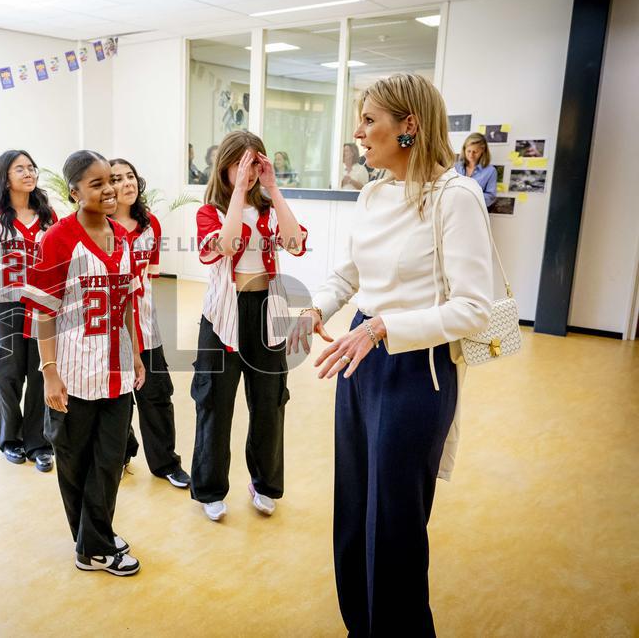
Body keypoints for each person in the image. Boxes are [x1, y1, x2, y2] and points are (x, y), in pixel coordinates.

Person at [289, 73, 492, 635]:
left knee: (394, 525)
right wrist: (317, 308)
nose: (358, 132)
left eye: (369, 120)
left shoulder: (456, 198)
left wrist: (383, 327)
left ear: (409, 126)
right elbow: (350, 273)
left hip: (416, 367)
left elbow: (474, 308)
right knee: (354, 510)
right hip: (361, 359)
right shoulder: (373, 193)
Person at [21, 150, 146, 576]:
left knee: (110, 458)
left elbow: (127, 303)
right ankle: (93, 543)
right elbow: (44, 312)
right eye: (97, 184)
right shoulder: (56, 239)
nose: (110, 189)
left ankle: (93, 540)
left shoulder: (123, 237)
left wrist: (136, 354)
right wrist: (49, 373)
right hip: (73, 371)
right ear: (74, 192)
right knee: (75, 462)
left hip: (117, 368)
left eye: (111, 180)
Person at [190, 130, 307, 522]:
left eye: (255, 163)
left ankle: (265, 483)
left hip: (266, 311)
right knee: (214, 402)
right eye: (241, 164)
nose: (249, 172)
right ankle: (210, 488)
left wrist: (273, 188)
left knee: (270, 402)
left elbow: (295, 242)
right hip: (224, 315)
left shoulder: (269, 209)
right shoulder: (210, 211)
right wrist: (239, 191)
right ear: (224, 165)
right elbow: (224, 246)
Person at [0, 149, 57, 472]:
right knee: (5, 372)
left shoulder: (48, 217)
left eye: (31, 167)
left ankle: (39, 443)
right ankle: (11, 439)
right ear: (5, 178)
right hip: (5, 305)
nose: (28, 172)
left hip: (43, 306)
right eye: (19, 168)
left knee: (40, 371)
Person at [108, 157, 191, 489]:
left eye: (130, 176)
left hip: (145, 327)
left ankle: (165, 463)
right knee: (115, 400)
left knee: (156, 395)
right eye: (117, 178)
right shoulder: (99, 227)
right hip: (110, 330)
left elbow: (150, 278)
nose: (127, 183)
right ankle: (120, 455)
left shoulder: (150, 224)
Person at [456, 132, 498, 207]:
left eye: (475, 152)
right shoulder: (456, 167)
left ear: (482, 151)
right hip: (454, 209)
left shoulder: (490, 171)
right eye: (468, 151)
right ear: (464, 149)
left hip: (475, 210)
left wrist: (470, 198)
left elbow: (491, 196)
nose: (471, 155)